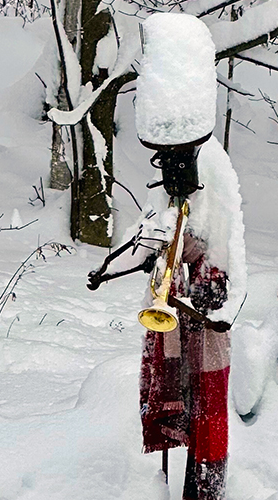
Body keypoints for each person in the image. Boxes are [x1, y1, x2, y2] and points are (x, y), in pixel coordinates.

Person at [87, 14, 246, 499]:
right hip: (173, 314)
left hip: (205, 320)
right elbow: (161, 231)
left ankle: (205, 490)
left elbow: (224, 249)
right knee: (175, 397)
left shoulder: (214, 175)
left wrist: (198, 264)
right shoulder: (174, 179)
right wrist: (144, 250)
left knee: (208, 413)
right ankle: (171, 481)